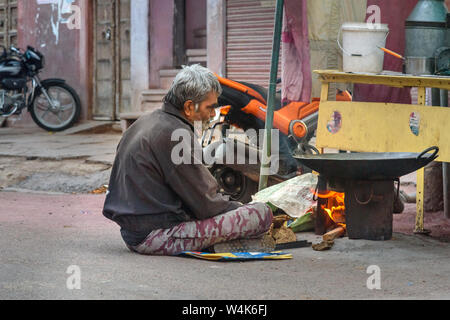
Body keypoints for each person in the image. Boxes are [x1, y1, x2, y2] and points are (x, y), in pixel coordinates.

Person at [103, 64, 273, 255]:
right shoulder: (176, 134)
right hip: (156, 236)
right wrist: (240, 208)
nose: (212, 114)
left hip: (132, 232)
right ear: (189, 107)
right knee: (260, 214)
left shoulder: (145, 122)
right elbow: (207, 205)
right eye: (210, 107)